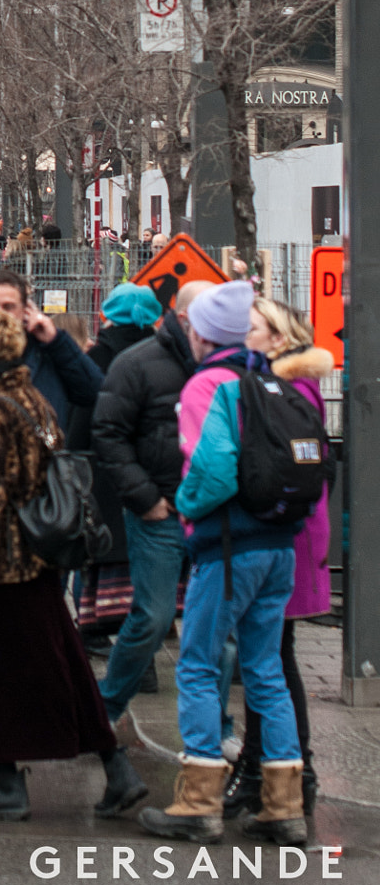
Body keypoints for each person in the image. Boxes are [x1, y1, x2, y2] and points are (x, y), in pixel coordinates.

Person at [0, 307, 138, 820]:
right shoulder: (31, 399)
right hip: (41, 558)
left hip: (3, 565)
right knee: (64, 667)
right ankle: (117, 769)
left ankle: (8, 783)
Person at [138, 278, 311, 848]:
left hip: (228, 546)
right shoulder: (270, 379)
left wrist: (183, 511)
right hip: (278, 544)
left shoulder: (208, 385)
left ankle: (198, 800)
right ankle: (284, 805)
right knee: (264, 669)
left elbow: (210, 473)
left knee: (198, 664)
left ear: (204, 332)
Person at [222, 297, 334, 819]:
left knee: (272, 659)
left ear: (278, 337)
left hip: (283, 535)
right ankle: (268, 768)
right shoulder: (293, 388)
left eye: (253, 329)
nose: (244, 336)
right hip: (296, 532)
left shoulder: (283, 392)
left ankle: (287, 771)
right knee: (270, 656)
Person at [90, 280, 202, 733]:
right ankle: (106, 704)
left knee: (209, 628)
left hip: (200, 511)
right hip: (158, 508)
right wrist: (146, 497)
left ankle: (218, 728)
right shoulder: (137, 364)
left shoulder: (222, 364)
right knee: (154, 617)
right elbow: (107, 431)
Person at [66, 285, 163, 653]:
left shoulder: (97, 359)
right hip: (150, 480)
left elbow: (78, 423)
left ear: (109, 313)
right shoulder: (162, 356)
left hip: (99, 473)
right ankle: (145, 641)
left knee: (93, 555)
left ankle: (91, 627)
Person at [0, 269, 103, 435]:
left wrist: (57, 341)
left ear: (26, 310)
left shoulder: (48, 354)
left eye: (8, 307)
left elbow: (92, 391)